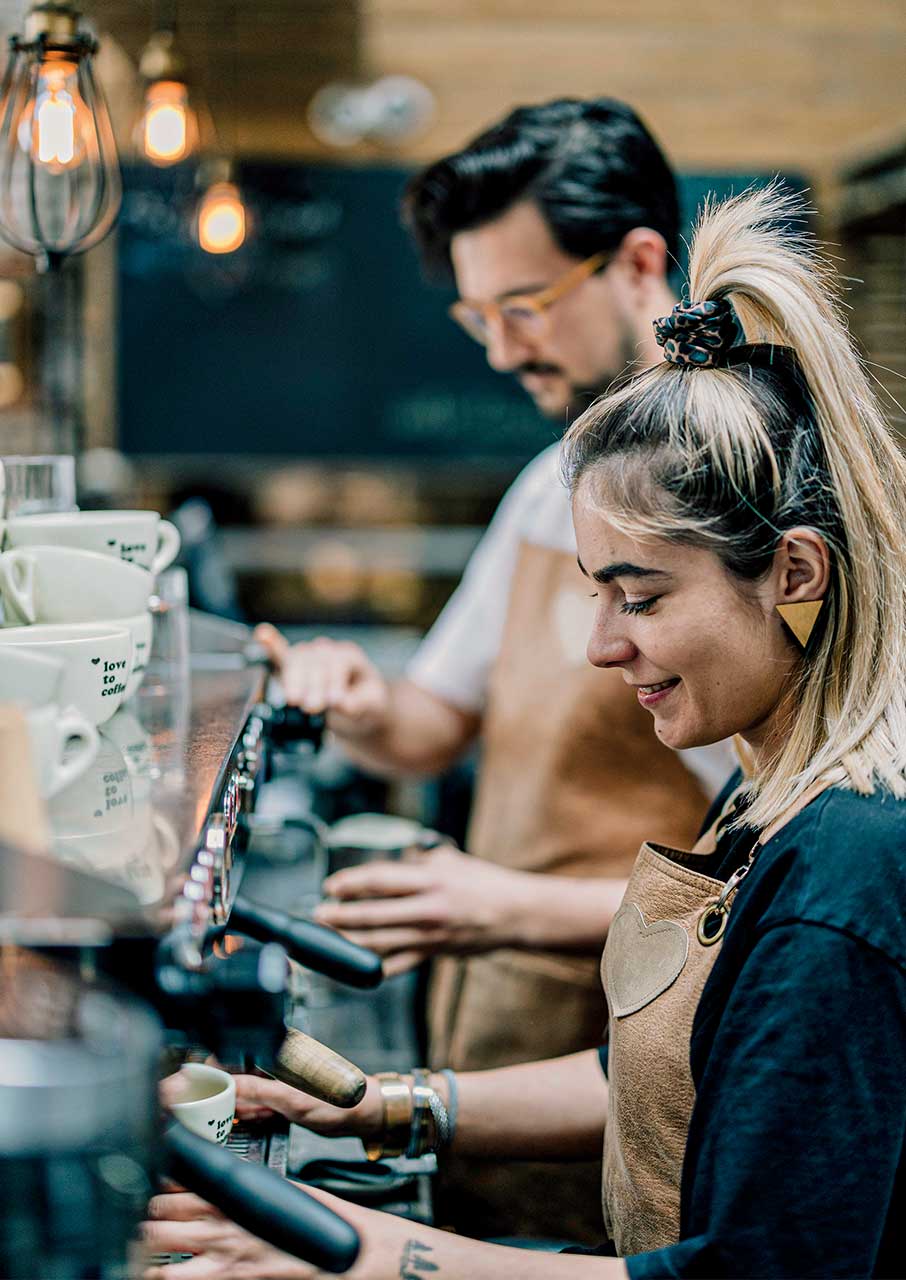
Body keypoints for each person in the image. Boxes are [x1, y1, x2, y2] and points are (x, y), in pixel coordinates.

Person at [146, 183, 906, 1278]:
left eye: (639, 597)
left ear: (795, 571)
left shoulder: (843, 878)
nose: (600, 645)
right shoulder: (767, 789)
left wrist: (368, 1251)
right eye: (596, 592)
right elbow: (660, 1075)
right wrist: (384, 1103)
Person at [257, 98, 729, 1241]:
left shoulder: (729, 508)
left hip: (639, 1071)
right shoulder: (550, 478)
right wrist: (358, 697)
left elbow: (776, 893)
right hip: (501, 1046)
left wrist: (502, 904)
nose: (502, 347)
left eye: (523, 306)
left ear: (639, 262)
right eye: (479, 316)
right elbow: (429, 727)